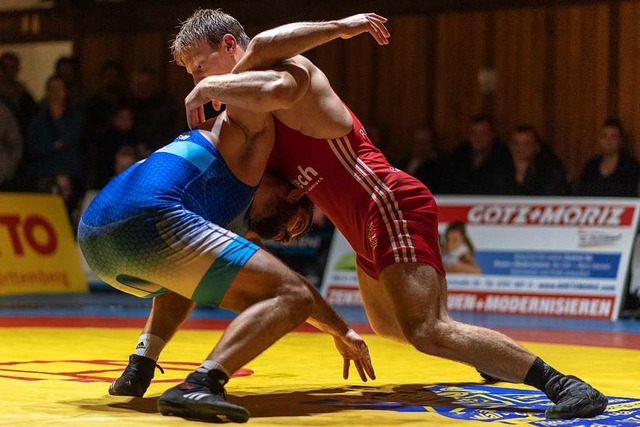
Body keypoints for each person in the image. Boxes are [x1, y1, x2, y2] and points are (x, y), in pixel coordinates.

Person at [114, 9, 607, 420]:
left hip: (387, 200)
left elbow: (272, 72)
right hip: (361, 226)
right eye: (193, 76)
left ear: (227, 47)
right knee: (393, 328)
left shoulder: (287, 74)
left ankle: (564, 385)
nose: (199, 82)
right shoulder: (244, 111)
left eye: (200, 68)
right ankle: (487, 356)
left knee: (427, 328)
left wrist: (338, 27)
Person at [78, 75, 375, 422]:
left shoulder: (232, 220)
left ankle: (140, 365)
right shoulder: (245, 149)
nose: (283, 238)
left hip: (95, 238)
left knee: (188, 272)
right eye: (295, 226)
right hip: (150, 217)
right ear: (293, 195)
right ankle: (201, 383)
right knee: (294, 297)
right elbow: (257, 82)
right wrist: (343, 330)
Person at [574, 118, 640, 198]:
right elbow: (581, 193)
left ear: (620, 140)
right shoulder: (591, 166)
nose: (608, 141)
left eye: (613, 137)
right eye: (604, 136)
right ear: (599, 139)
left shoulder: (631, 166)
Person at [505, 124, 570, 196]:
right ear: (510, 146)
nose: (521, 149)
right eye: (516, 144)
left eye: (527, 144)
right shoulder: (499, 170)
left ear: (536, 147)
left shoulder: (549, 172)